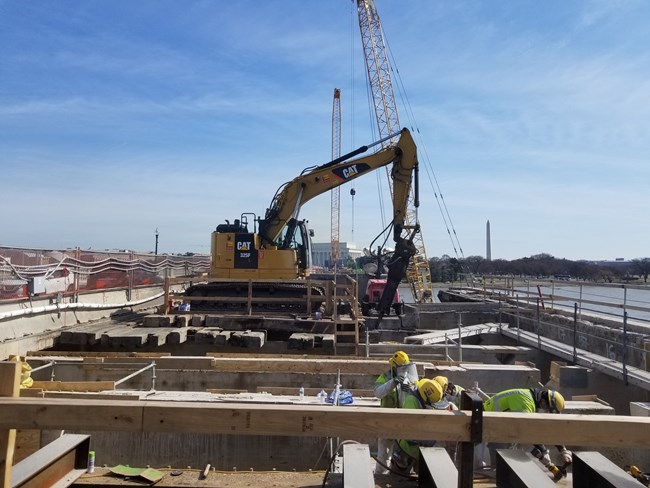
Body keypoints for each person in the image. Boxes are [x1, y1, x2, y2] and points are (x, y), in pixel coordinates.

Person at [483, 388, 572, 473]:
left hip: (501, 426)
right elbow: (526, 430)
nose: (546, 413)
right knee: (505, 461)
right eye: (547, 411)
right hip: (487, 424)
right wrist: (543, 451)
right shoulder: (525, 402)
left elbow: (545, 429)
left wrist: (563, 450)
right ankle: (497, 470)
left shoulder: (533, 401)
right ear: (543, 402)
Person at [391, 378, 444, 474]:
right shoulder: (412, 402)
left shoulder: (421, 398)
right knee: (397, 479)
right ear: (426, 397)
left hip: (416, 450)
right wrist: (428, 440)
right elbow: (409, 433)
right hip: (405, 450)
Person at [373, 351, 414, 474]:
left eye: (405, 367)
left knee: (405, 455)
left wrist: (410, 390)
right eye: (401, 367)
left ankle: (400, 478)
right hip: (387, 420)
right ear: (394, 366)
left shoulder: (409, 379)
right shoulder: (384, 377)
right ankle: (380, 477)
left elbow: (416, 397)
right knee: (384, 456)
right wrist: (393, 382)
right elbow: (377, 393)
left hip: (403, 421)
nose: (404, 370)